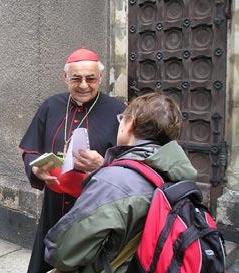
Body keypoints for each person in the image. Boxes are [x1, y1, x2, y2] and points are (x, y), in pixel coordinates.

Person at [44, 92, 198, 273]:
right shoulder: (181, 173)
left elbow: (63, 253)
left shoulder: (113, 182)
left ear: (130, 123)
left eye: (122, 119)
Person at [19, 48, 126, 273]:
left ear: (100, 78)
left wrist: (102, 165)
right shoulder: (50, 106)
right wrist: (36, 168)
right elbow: (30, 150)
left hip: (96, 207)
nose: (84, 85)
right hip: (54, 204)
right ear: (65, 77)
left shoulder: (118, 111)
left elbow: (130, 163)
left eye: (91, 78)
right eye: (76, 78)